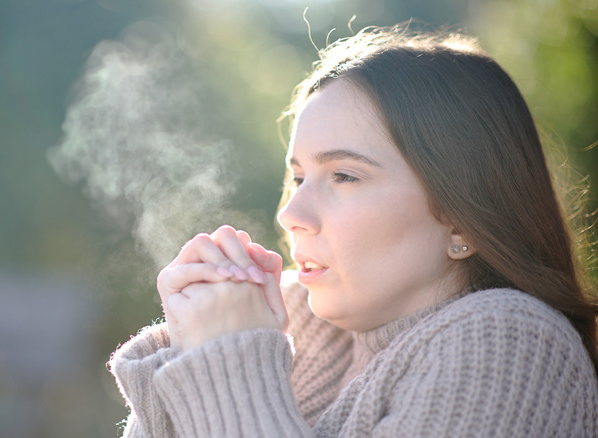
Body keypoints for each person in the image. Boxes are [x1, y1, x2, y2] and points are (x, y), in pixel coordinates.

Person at [108, 23, 598, 437]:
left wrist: (230, 363)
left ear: (463, 214)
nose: (290, 212)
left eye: (344, 175)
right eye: (298, 177)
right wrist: (188, 358)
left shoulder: (510, 345)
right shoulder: (296, 328)